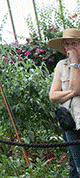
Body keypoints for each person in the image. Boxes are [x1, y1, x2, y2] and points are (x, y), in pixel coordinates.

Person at [49, 28, 80, 178]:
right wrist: (73, 93)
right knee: (75, 164)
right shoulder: (61, 65)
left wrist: (75, 63)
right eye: (67, 44)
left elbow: (75, 87)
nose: (70, 47)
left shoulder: (72, 64)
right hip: (70, 122)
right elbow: (53, 96)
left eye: (74, 43)